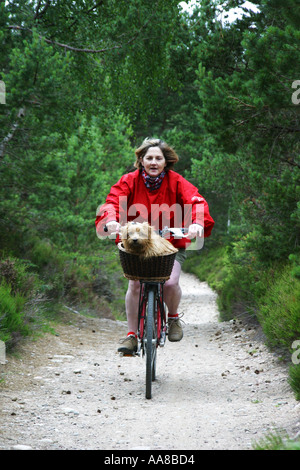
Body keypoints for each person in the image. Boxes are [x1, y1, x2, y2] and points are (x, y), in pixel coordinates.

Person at [95, 138, 214, 354]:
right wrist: (111, 219)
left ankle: (173, 317)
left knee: (169, 283)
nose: (153, 162)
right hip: (136, 244)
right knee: (135, 286)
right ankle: (131, 335)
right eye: (148, 158)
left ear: (165, 161)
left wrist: (197, 223)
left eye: (158, 158)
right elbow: (112, 202)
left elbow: (196, 200)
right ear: (140, 160)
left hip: (170, 243)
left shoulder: (177, 182)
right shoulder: (128, 181)